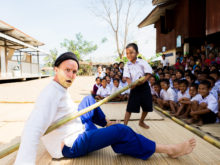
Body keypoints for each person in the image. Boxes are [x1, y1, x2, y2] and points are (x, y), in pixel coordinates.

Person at [14, 52, 196, 164]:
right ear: (56, 70)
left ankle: (107, 123)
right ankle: (169, 149)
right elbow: (32, 128)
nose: (71, 75)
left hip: (78, 127)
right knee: (122, 131)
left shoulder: (59, 88)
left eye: (74, 71)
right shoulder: (50, 94)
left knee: (88, 100)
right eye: (66, 70)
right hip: (71, 144)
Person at [123, 43, 153, 129]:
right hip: (134, 87)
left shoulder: (142, 62)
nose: (129, 55)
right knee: (129, 108)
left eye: (131, 52)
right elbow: (127, 77)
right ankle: (124, 126)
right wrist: (130, 84)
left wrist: (144, 80)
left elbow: (149, 73)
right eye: (127, 53)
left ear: (137, 53)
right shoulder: (127, 65)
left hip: (144, 87)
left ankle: (141, 121)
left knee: (147, 107)